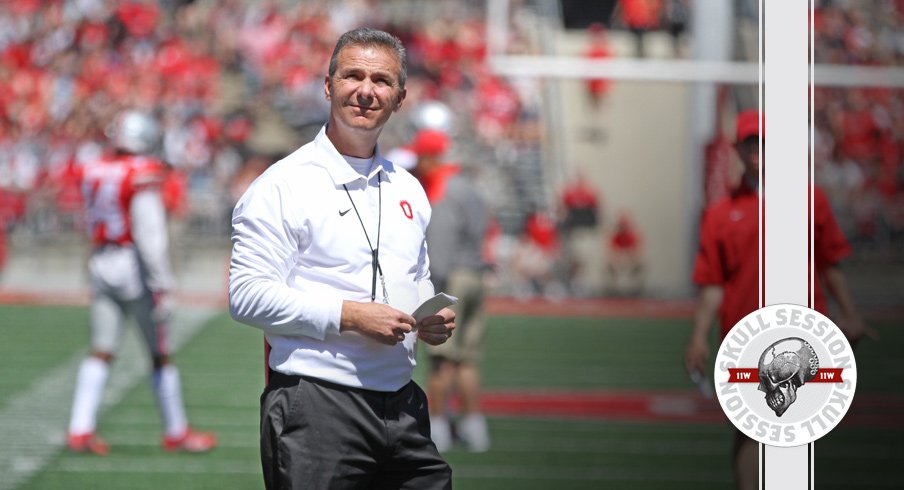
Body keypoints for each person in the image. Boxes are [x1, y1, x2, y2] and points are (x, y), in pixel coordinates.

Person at [229, 28, 455, 489]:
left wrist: (430, 313)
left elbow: (418, 275)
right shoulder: (282, 184)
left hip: (403, 403)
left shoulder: (409, 186)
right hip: (317, 404)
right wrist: (351, 315)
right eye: (353, 76)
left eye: (381, 81)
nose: (366, 91)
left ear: (400, 97)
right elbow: (245, 296)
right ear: (328, 85)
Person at [684, 110, 870, 490]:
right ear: (737, 147)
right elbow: (713, 283)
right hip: (744, 332)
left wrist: (849, 314)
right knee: (751, 428)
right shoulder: (720, 214)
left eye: (763, 142)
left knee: (797, 431)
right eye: (750, 142)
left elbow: (830, 262)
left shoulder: (810, 200)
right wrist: (698, 336)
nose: (756, 150)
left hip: (803, 334)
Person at [67, 110, 217, 455]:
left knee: (101, 349)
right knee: (160, 353)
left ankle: (80, 428)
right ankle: (176, 431)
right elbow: (150, 234)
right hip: (133, 267)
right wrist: (162, 283)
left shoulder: (95, 168)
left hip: (101, 260)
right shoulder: (140, 173)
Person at [409, 127, 491, 453]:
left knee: (441, 361)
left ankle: (438, 428)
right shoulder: (469, 186)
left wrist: (432, 291)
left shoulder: (442, 187)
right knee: (468, 361)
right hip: (475, 273)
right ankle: (474, 428)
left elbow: (440, 249)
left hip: (453, 277)